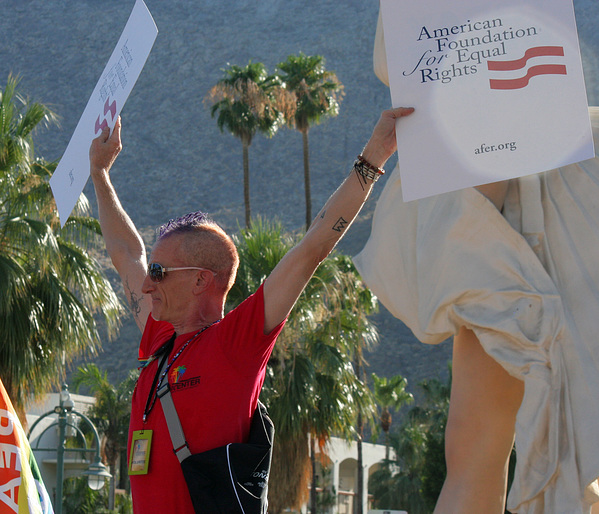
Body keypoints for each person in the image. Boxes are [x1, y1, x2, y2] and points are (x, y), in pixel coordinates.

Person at [354, 8, 599, 514]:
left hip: (506, 201)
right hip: (559, 185)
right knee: (585, 429)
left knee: (480, 456)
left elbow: (405, 59)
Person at [88, 106, 413, 513]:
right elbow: (124, 252)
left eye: (158, 271)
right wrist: (100, 174)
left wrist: (374, 158)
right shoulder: (159, 337)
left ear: (201, 280)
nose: (147, 283)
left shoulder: (236, 344)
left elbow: (312, 247)